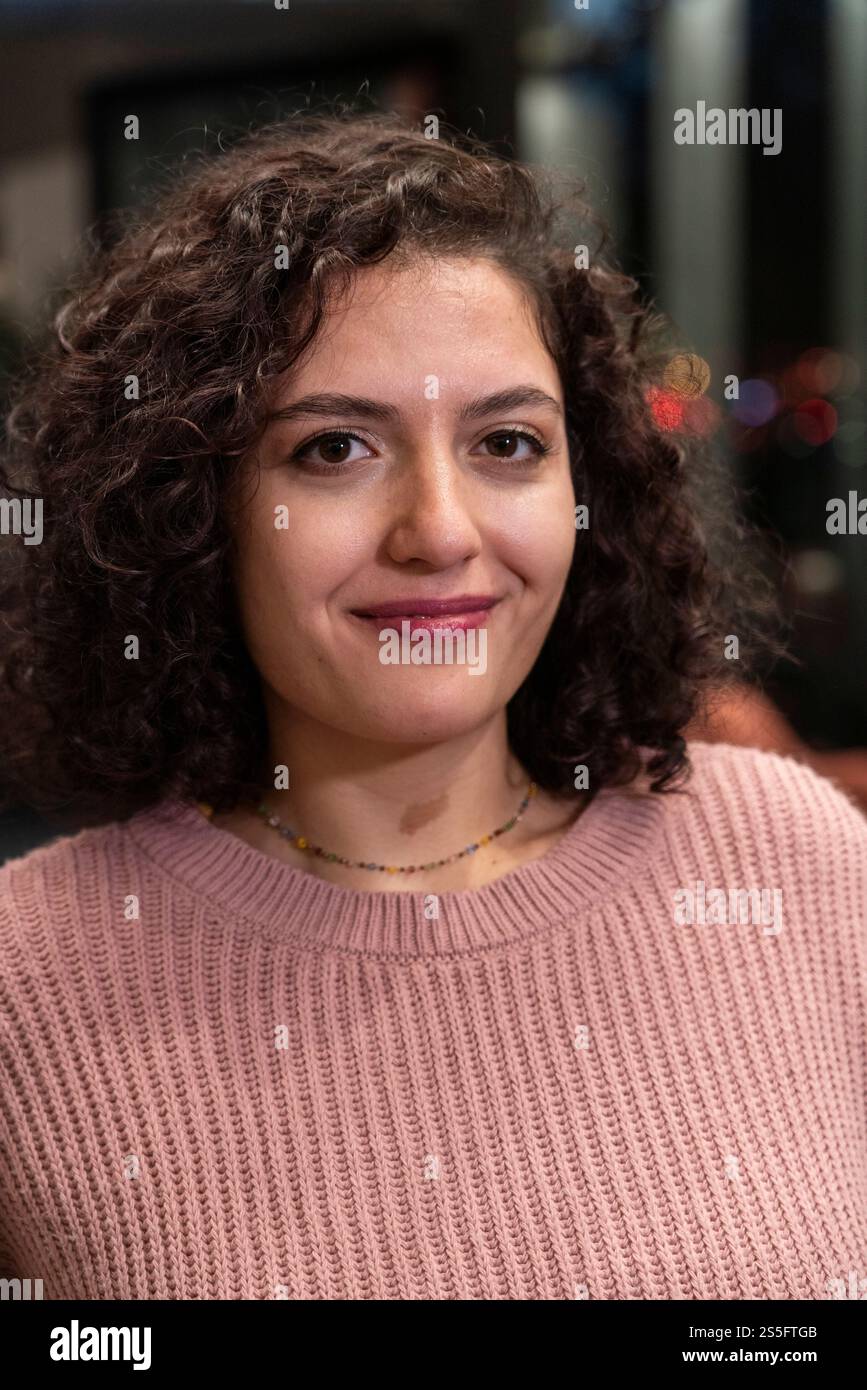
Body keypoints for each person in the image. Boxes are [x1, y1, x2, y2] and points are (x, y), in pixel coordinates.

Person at [0, 112, 864, 1301]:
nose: (442, 531)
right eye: (336, 449)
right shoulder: (29, 982)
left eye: (508, 442)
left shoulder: (794, 861)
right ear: (194, 506)